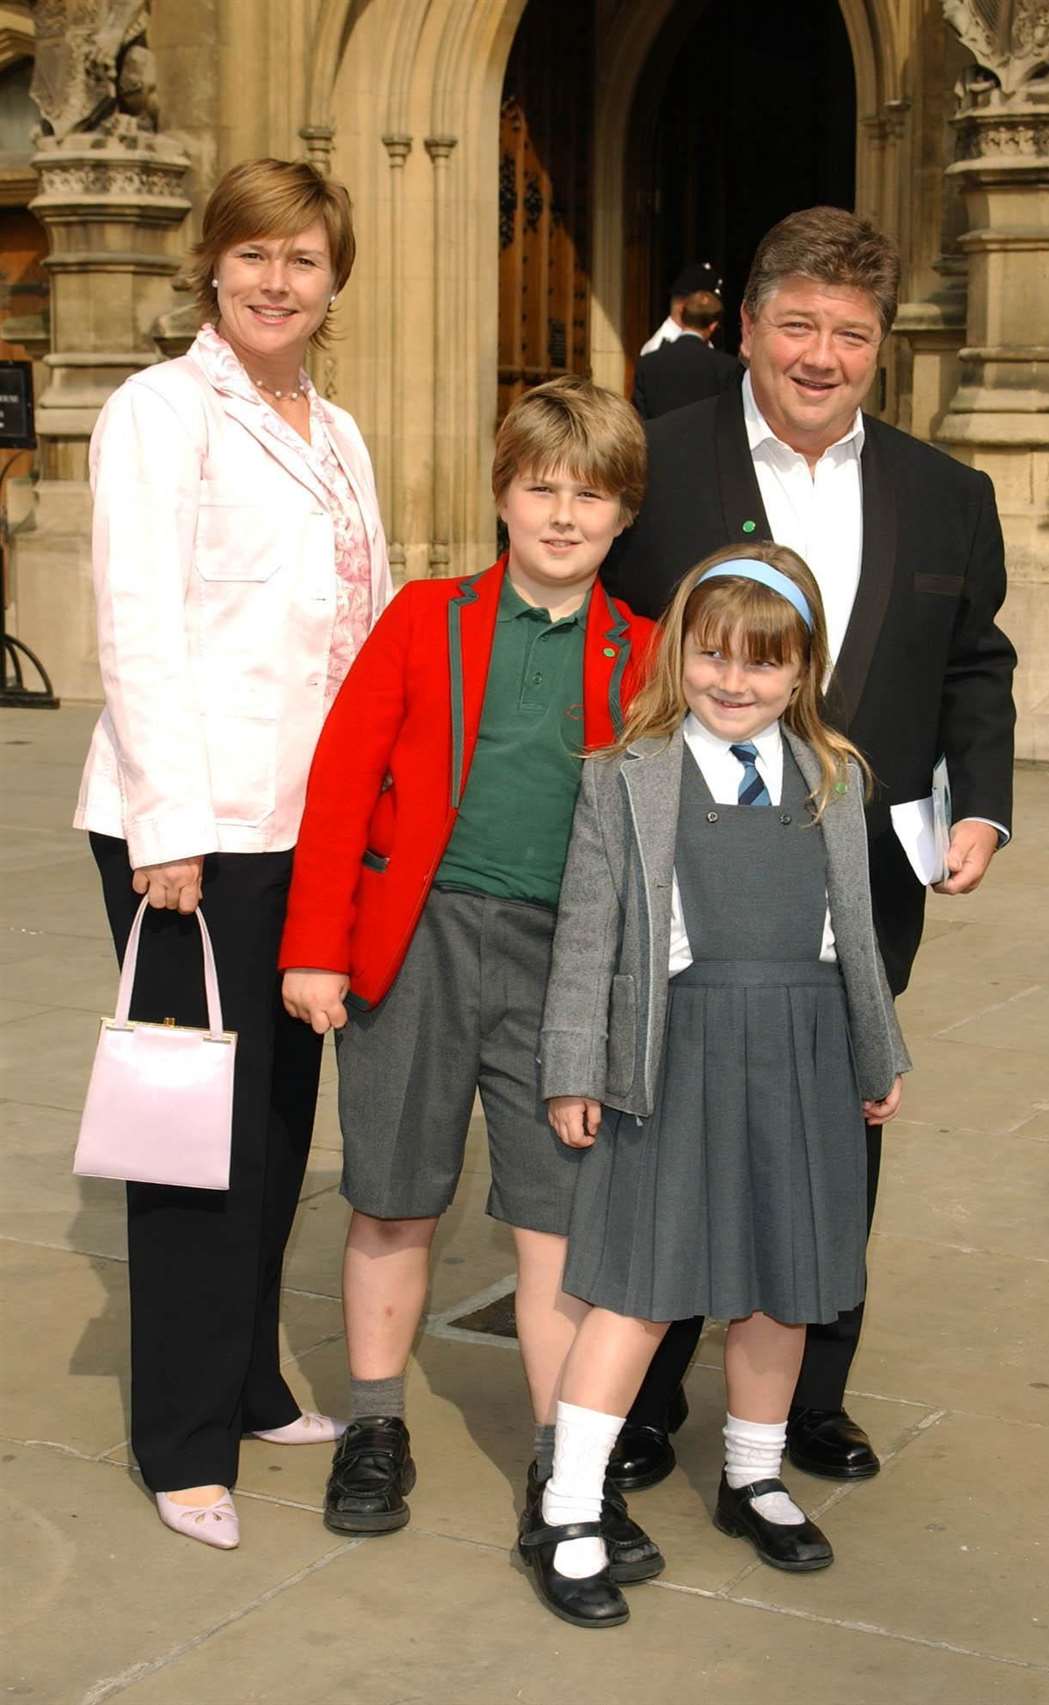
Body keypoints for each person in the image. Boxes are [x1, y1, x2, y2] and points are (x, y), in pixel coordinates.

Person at [602, 205, 1016, 1490]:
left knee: (842, 1109)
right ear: (748, 330)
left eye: (850, 333)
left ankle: (808, 1399)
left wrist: (985, 805)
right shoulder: (656, 468)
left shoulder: (948, 494)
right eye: (798, 326)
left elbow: (974, 666)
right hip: (682, 854)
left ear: (880, 346)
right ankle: (651, 1390)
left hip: (861, 864)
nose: (822, 356)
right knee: (664, 1101)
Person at [278, 376, 661, 1578]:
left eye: (588, 496)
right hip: (420, 936)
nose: (561, 514)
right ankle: (376, 1421)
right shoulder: (427, 619)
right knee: (394, 1190)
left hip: (567, 960)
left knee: (554, 1216)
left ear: (622, 516)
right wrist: (314, 946)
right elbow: (343, 780)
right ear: (502, 494)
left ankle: (565, 1465)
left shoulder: (644, 654)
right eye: (540, 488)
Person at [73, 157, 393, 1549]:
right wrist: (171, 832)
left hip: (304, 832)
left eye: (304, 259)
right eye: (254, 253)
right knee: (192, 1133)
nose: (277, 279)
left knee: (274, 1122)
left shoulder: (337, 429)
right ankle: (182, 1438)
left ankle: (251, 1379)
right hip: (190, 834)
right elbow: (136, 621)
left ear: (335, 281)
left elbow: (356, 630)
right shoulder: (159, 413)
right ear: (213, 265)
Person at [523, 544, 911, 1628]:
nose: (734, 683)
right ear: (678, 654)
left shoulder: (837, 777)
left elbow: (857, 941)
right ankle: (569, 1505)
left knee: (782, 1279)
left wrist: (876, 1058)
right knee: (639, 1286)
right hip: (674, 1052)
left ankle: (754, 1475)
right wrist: (573, 1066)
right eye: (713, 657)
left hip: (803, 1051)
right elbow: (586, 937)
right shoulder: (625, 776)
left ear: (802, 672)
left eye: (762, 664)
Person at [631, 290, 741, 420]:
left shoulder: (647, 363)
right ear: (713, 326)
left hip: (657, 439)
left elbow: (638, 419)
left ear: (682, 318)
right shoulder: (727, 367)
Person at [639, 261, 720, 355]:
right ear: (684, 306)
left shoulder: (701, 340)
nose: (713, 313)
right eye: (707, 307)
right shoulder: (660, 349)